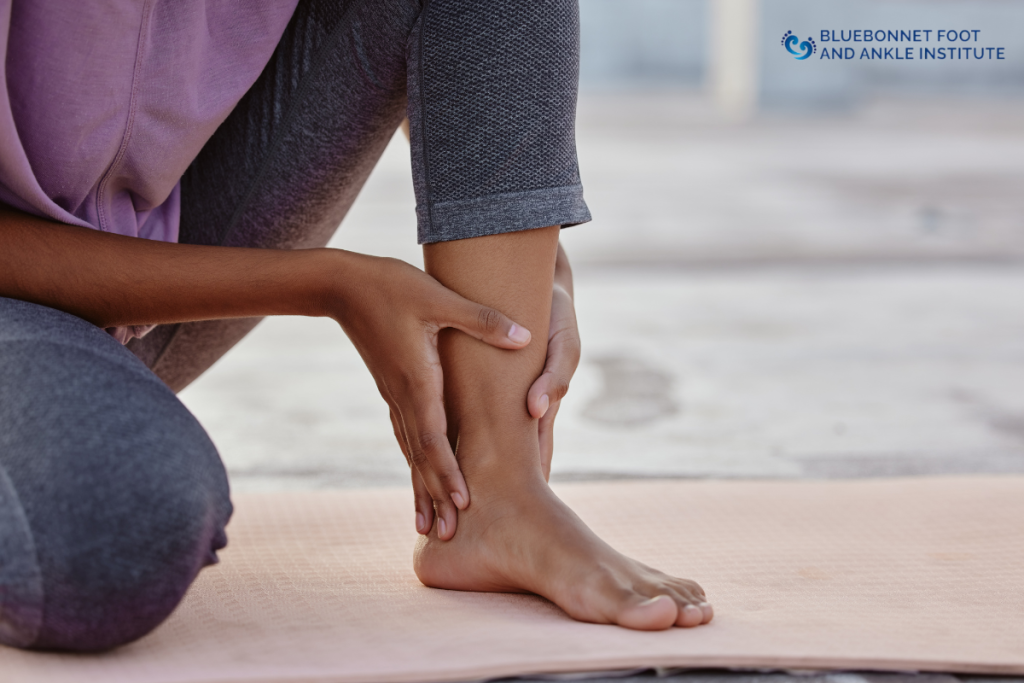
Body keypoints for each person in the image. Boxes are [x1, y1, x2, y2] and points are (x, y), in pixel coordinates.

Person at [0, 0, 713, 652]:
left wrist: (526, 262)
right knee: (108, 529)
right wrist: (330, 283)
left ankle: (498, 496)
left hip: (153, 247)